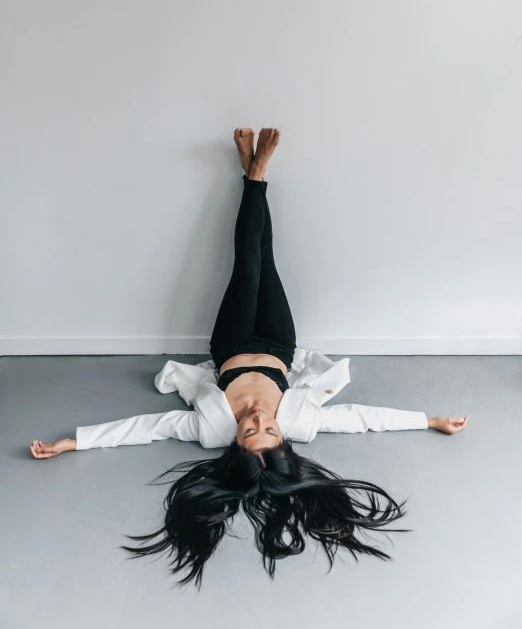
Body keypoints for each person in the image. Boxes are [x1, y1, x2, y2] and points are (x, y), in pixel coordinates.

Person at [30, 127, 470, 588]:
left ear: (235, 443)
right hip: (279, 346)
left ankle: (255, 175)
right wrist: (428, 420)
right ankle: (253, 174)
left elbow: (143, 428)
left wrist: (74, 442)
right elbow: (362, 417)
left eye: (249, 429)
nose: (260, 418)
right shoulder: (303, 425)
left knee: (248, 264)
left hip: (233, 344)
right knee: (269, 260)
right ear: (284, 439)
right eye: (270, 428)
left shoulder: (207, 429)